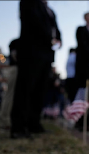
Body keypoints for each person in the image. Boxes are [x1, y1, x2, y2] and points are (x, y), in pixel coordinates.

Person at [10, 0, 61, 139]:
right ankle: (18, 126)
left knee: (40, 90)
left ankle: (34, 123)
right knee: (25, 88)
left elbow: (56, 28)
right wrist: (50, 38)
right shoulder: (29, 3)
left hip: (47, 55)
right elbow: (32, 21)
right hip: (31, 52)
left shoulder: (50, 11)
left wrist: (58, 40)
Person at [0, 38, 19, 129]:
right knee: (10, 95)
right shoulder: (16, 43)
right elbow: (14, 57)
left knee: (11, 95)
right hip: (15, 69)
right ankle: (5, 120)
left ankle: (7, 119)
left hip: (15, 69)